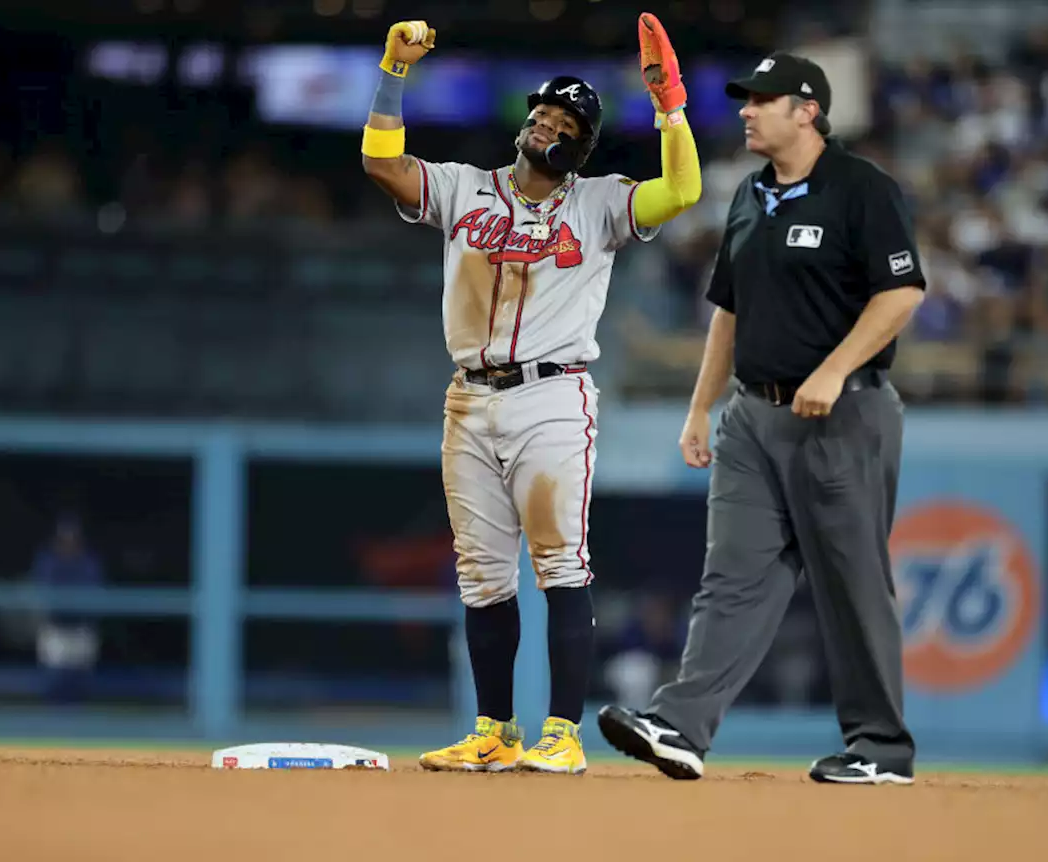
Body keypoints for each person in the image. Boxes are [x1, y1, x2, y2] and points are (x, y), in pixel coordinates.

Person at [360, 16, 702, 774]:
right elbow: (382, 164)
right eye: (544, 111)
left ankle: (563, 735)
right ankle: (493, 729)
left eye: (567, 119)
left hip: (553, 395)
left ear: (581, 144)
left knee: (560, 567)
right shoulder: (464, 188)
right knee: (481, 573)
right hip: (470, 397)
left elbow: (682, 189)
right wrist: (394, 71)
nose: (550, 121)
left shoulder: (600, 202)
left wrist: (668, 104)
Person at [597, 51, 927, 785]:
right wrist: (698, 410)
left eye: (763, 100)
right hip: (751, 417)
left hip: (844, 414)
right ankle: (681, 725)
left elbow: (902, 293)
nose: (747, 110)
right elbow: (729, 311)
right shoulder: (749, 196)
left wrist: (836, 370)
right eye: (746, 99)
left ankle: (881, 748)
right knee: (732, 577)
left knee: (851, 582)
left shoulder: (860, 188)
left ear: (807, 110)